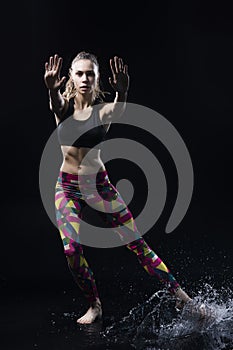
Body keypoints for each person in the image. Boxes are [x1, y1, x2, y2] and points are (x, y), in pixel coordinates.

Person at [43, 51, 196, 324]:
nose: (85, 78)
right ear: (70, 77)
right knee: (71, 251)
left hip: (100, 187)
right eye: (79, 73)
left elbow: (119, 108)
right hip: (67, 188)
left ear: (98, 78)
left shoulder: (102, 112)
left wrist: (122, 92)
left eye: (90, 73)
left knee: (138, 245)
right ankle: (95, 305)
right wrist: (51, 90)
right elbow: (55, 104)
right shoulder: (64, 106)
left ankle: (184, 299)